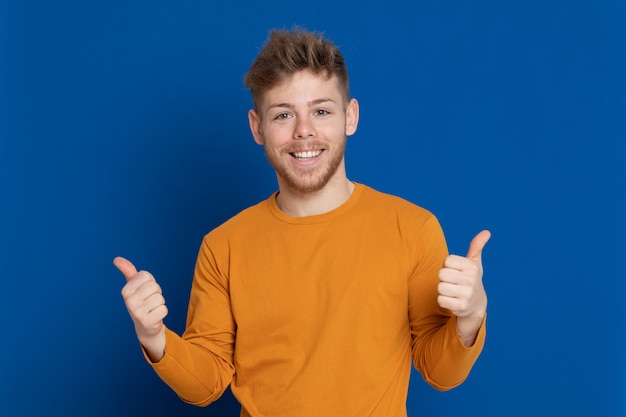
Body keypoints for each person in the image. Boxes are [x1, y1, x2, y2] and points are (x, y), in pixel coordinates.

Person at [114, 27, 491, 417]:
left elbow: (440, 371)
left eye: (321, 111)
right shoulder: (223, 245)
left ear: (351, 116)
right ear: (257, 128)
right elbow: (207, 383)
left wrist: (471, 315)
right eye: (283, 115)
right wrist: (154, 337)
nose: (304, 131)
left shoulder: (412, 228)